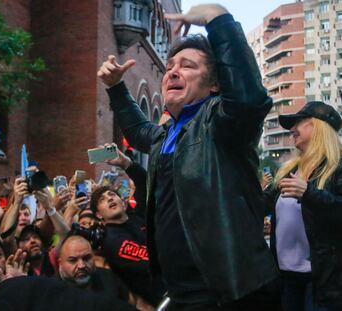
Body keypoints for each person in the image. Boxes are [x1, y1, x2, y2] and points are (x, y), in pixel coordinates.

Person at [97, 3, 279, 309]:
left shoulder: (221, 123)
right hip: (180, 291)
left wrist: (217, 19)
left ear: (214, 84)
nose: (173, 72)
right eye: (169, 67)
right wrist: (116, 87)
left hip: (229, 292)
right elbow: (140, 130)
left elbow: (249, 100)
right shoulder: (166, 133)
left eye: (188, 66)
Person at [264, 101, 342, 311]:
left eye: (298, 123)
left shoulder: (337, 167)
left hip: (323, 284)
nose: (292, 129)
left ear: (317, 126)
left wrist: (309, 193)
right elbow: (259, 205)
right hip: (286, 280)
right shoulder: (289, 171)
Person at [90, 186, 164, 307]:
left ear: (123, 202)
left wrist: (129, 167)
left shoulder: (138, 217)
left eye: (112, 195)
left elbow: (146, 187)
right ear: (98, 214)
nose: (109, 198)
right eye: (102, 199)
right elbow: (152, 261)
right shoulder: (112, 241)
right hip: (164, 296)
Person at [58, 234, 130, 303]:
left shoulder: (110, 279)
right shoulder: (52, 291)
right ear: (60, 263)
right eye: (73, 260)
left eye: (86, 258)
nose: (81, 265)